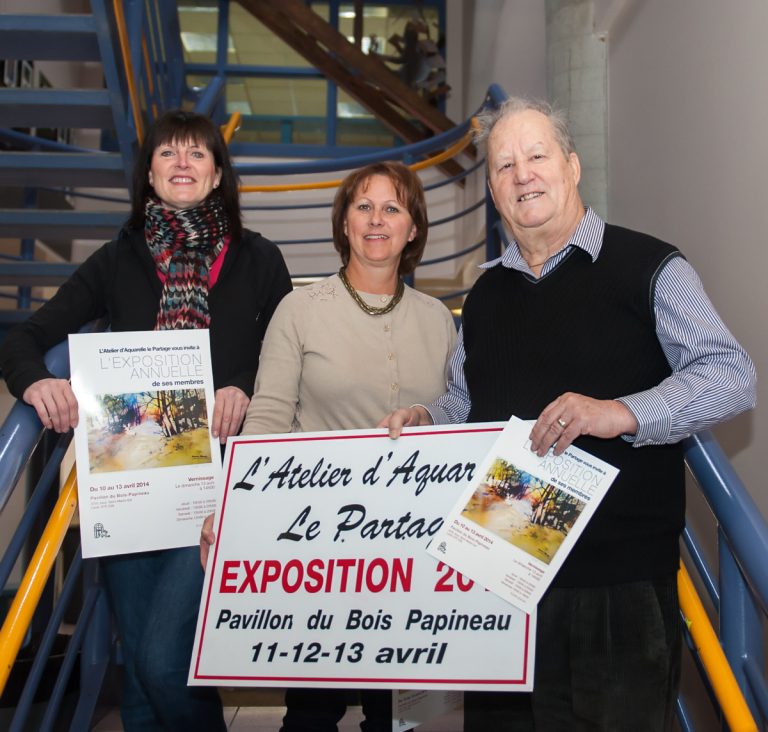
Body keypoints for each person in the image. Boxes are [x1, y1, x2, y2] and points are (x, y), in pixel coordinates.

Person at [380, 97, 757, 731]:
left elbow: (731, 373)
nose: (522, 174)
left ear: (572, 167)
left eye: (536, 156)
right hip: (502, 578)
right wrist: (428, 418)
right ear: (494, 191)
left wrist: (621, 412)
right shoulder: (485, 296)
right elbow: (469, 403)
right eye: (503, 165)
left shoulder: (650, 267)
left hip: (618, 590)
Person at [0, 109, 292, 730]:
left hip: (218, 482)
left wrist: (244, 384)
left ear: (218, 175)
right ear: (149, 176)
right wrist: (37, 382)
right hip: (130, 480)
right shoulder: (116, 260)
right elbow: (25, 336)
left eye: (197, 154)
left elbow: (293, 358)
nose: (182, 163)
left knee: (164, 661)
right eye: (167, 154)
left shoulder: (260, 260)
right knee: (137, 679)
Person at [201, 161, 457, 732]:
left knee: (395, 718)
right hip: (320, 552)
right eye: (363, 206)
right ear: (343, 223)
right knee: (313, 714)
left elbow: (456, 418)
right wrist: (232, 507)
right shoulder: (300, 310)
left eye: (393, 208)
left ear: (413, 229)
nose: (376, 220)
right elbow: (266, 417)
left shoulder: (440, 321)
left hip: (410, 551)